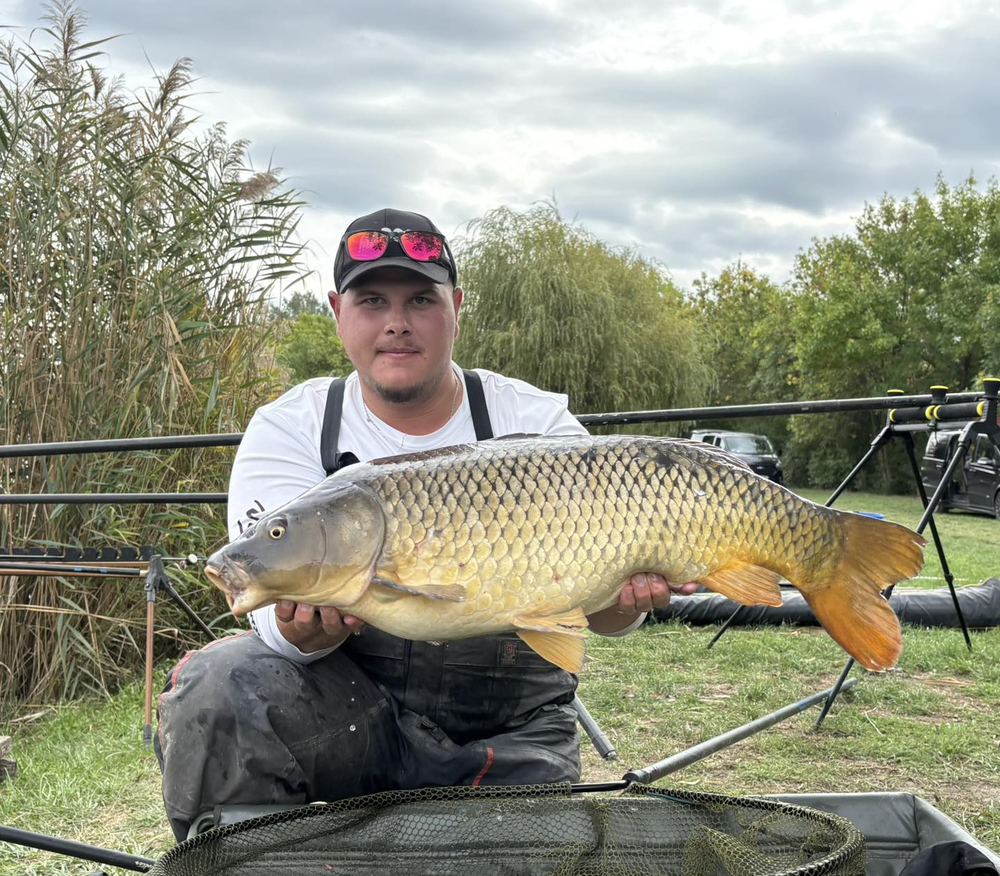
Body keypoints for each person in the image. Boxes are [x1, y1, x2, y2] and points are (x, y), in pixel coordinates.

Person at [155, 208, 694, 842]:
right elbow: (273, 625)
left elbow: (603, 617)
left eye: (420, 300)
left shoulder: (536, 424)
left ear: (456, 308)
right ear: (337, 311)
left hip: (512, 731)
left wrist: (625, 603)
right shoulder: (292, 428)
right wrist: (299, 629)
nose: (397, 323)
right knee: (217, 684)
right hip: (353, 720)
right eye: (372, 301)